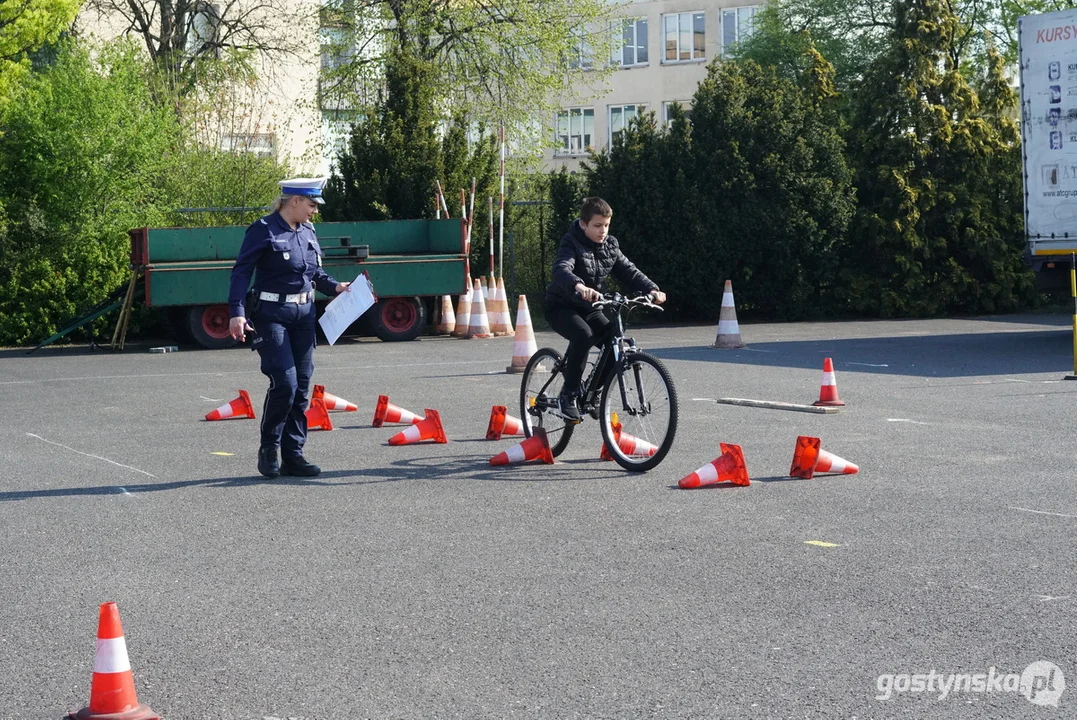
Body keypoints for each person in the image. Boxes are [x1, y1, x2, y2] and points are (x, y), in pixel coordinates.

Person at [227, 177, 350, 478]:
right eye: (311, 205)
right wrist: (236, 312)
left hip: (304, 316)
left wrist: (336, 288)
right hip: (272, 315)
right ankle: (269, 447)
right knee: (285, 383)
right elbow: (242, 272)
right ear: (293, 201)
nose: (315, 211)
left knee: (303, 387)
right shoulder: (263, 230)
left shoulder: (307, 230)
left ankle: (293, 453)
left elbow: (314, 272)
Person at [544, 196, 666, 422]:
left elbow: (629, 271)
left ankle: (592, 392)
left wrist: (652, 289)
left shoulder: (610, 245)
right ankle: (568, 394)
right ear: (583, 224)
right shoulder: (571, 242)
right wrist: (578, 285)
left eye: (606, 225)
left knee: (615, 341)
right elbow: (561, 269)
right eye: (597, 226)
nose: (603, 231)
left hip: (590, 306)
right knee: (583, 334)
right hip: (561, 305)